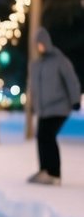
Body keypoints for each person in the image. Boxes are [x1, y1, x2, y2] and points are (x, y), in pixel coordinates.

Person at [26, 26, 81, 186]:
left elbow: (71, 80)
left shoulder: (59, 60)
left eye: (41, 43)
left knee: (47, 136)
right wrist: (32, 105)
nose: (40, 47)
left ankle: (54, 173)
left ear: (47, 42)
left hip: (59, 106)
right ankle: (45, 170)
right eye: (37, 44)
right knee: (42, 137)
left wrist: (75, 100)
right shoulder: (36, 65)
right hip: (44, 110)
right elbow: (33, 88)